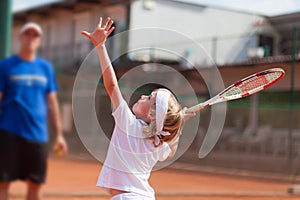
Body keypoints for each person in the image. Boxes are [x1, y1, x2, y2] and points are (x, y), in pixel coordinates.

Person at [82, 17, 195, 200]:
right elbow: (170, 151)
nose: (143, 96)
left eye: (149, 98)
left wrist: (101, 47)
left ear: (152, 114)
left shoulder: (129, 125)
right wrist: (178, 126)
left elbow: (111, 85)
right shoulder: (157, 142)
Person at [0, 22, 68, 200]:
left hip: (38, 134)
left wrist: (59, 134)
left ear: (39, 40)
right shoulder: (6, 66)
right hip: (9, 132)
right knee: (2, 183)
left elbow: (52, 103)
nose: (30, 38)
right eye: (27, 34)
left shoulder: (45, 68)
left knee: (35, 184)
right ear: (20, 37)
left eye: (34, 35)